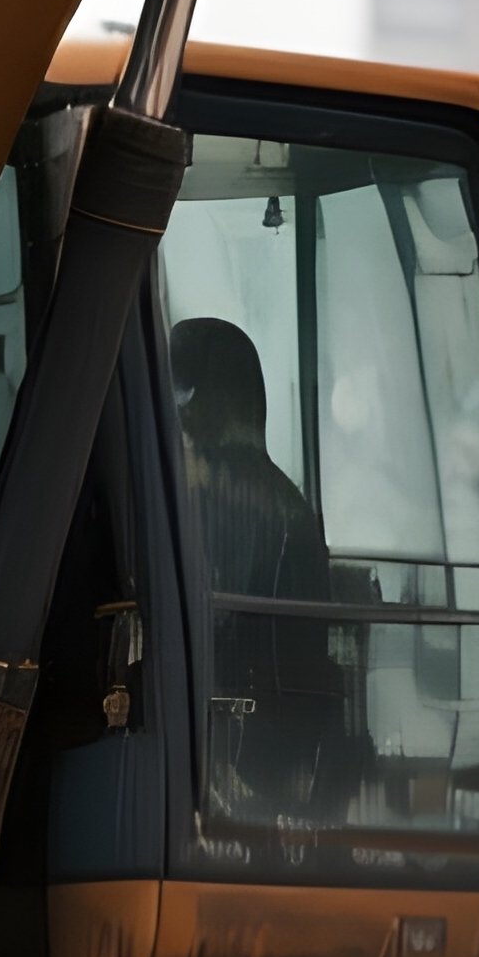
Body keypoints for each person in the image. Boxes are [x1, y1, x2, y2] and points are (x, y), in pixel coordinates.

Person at [168, 317, 343, 820]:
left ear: (213, 400)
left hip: (233, 748)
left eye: (185, 400)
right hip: (276, 744)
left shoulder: (216, 496)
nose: (177, 417)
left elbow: (209, 628)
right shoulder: (285, 498)